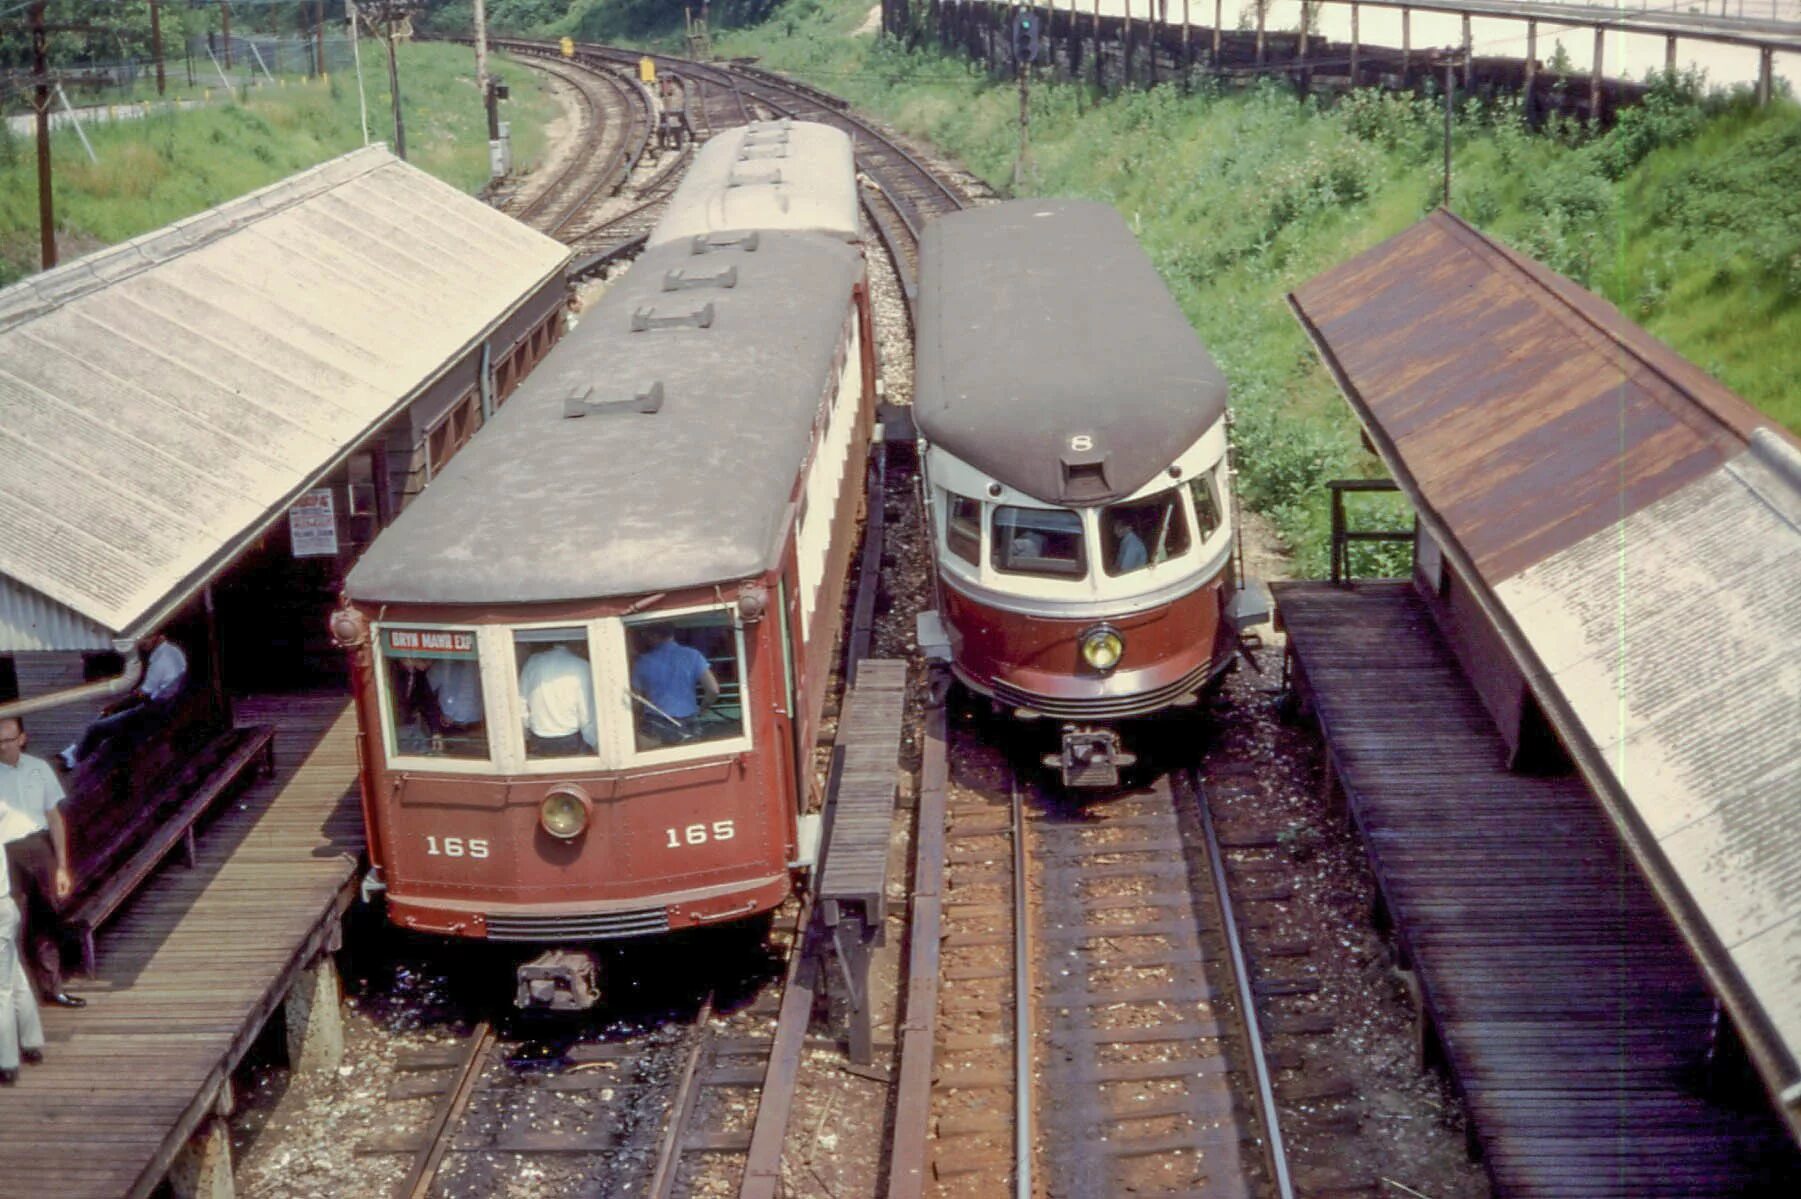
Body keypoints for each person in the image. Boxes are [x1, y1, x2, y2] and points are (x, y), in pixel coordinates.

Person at [0, 717, 83, 1010]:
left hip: (39, 845)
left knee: (47, 918)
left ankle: (53, 987)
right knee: (14, 924)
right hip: (6, 853)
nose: (4, 747)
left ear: (22, 739)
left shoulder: (39, 768)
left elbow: (54, 818)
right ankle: (23, 998)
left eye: (9, 740)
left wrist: (61, 865)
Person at [59, 633, 187, 769]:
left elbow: (142, 695)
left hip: (154, 710)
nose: (142, 642)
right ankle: (75, 748)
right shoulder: (173, 651)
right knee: (107, 715)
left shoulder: (160, 662)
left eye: (147, 638)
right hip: (162, 702)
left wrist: (117, 706)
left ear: (159, 637)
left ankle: (73, 760)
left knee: (97, 727)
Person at [1, 837, 49, 1085]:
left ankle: (6, 1062)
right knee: (14, 975)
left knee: (2, 990)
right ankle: (31, 1042)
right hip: (6, 905)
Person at [630, 627, 719, 745]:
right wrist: (702, 710)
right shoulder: (693, 655)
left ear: (653, 636)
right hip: (688, 723)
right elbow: (713, 689)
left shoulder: (642, 662)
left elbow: (635, 701)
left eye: (645, 634)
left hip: (654, 725)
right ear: (672, 634)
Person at [518, 645, 596, 757]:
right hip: (571, 738)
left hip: (538, 737)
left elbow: (521, 702)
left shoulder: (532, 662)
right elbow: (586, 713)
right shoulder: (581, 665)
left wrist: (525, 733)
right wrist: (595, 744)